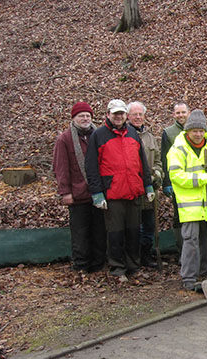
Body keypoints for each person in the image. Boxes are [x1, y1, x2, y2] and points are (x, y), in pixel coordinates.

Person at [85, 99, 154, 282]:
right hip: (113, 193)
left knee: (133, 232)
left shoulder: (132, 133)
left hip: (133, 191)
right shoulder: (98, 135)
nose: (119, 117)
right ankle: (117, 268)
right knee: (115, 233)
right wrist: (97, 193)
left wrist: (147, 185)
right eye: (115, 114)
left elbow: (142, 162)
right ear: (108, 114)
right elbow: (91, 167)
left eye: (122, 114)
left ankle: (133, 265)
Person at [167, 109, 207, 291]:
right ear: (188, 130)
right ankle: (189, 277)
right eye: (195, 131)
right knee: (190, 241)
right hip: (190, 207)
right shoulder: (178, 149)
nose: (198, 134)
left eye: (201, 131)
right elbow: (176, 176)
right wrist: (204, 178)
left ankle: (206, 270)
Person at [53, 102, 106, 273]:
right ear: (73, 118)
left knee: (99, 231)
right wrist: (65, 192)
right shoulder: (65, 139)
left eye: (88, 116)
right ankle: (81, 265)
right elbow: (60, 168)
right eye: (81, 116)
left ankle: (98, 264)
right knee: (80, 234)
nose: (85, 119)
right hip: (77, 195)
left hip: (98, 193)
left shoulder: (98, 135)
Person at [127, 101, 163, 268]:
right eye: (135, 114)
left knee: (149, 225)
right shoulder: (125, 135)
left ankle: (147, 256)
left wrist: (156, 174)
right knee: (135, 226)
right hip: (132, 190)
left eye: (140, 114)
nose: (138, 117)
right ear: (128, 116)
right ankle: (134, 258)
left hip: (150, 190)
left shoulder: (149, 137)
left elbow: (157, 159)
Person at [161, 101, 190, 254]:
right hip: (177, 183)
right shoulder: (169, 132)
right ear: (173, 115)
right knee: (179, 216)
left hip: (194, 182)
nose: (180, 115)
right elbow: (164, 159)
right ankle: (182, 250)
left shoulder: (196, 130)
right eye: (177, 113)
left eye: (183, 112)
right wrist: (167, 182)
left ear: (188, 113)